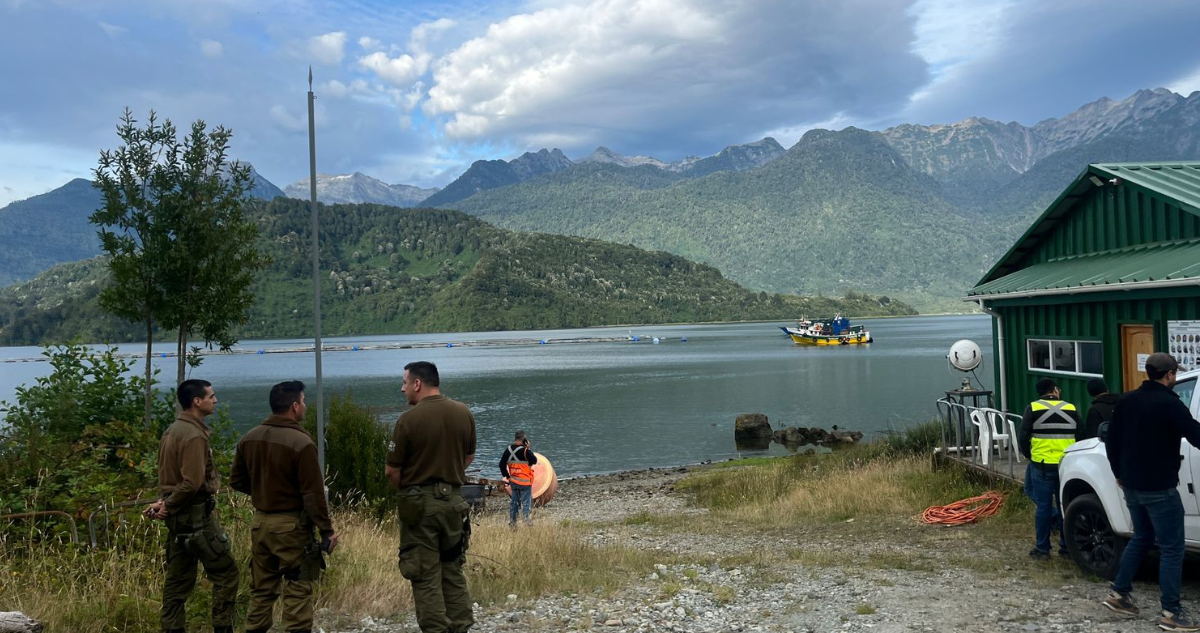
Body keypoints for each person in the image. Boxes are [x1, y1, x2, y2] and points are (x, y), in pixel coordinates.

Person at [231, 380, 338, 633]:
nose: (305, 406)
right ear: (294, 406)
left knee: (261, 591)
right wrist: (327, 531)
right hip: (291, 527)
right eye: (303, 401)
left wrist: (263, 491)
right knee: (298, 589)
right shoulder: (301, 442)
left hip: (260, 525)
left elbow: (236, 481)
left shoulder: (249, 437)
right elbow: (312, 494)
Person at [1103, 353, 1200, 631]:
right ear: (1169, 374)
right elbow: (1195, 435)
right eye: (1174, 374)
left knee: (1142, 537)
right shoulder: (1170, 404)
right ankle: (1171, 612)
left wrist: (1118, 473)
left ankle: (1119, 594)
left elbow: (1112, 440)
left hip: (1132, 485)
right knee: (1172, 549)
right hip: (1160, 487)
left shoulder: (1127, 400)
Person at [385, 361, 477, 633]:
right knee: (452, 569)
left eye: (404, 383)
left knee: (424, 574)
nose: (402, 389)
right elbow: (469, 455)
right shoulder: (463, 412)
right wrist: (449, 474)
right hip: (454, 503)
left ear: (417, 383)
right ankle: (461, 626)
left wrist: (412, 489)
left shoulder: (408, 420)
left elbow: (392, 471)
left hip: (420, 505)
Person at [143, 379, 239, 633]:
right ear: (197, 401)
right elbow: (192, 483)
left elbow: (170, 480)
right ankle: (222, 628)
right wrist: (169, 504)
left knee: (177, 582)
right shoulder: (194, 435)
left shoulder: (172, 431)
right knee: (226, 574)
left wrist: (164, 504)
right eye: (211, 396)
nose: (215, 400)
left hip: (178, 519)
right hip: (196, 518)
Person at [1017, 377, 1083, 560]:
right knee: (1065, 507)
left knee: (1044, 508)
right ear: (1055, 389)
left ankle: (1043, 549)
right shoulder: (1071, 408)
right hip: (1066, 466)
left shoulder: (1033, 408)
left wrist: (1030, 455)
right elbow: (1081, 435)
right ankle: (1067, 548)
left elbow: (1023, 436)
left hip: (1042, 464)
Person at [499, 430, 538, 526]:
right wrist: (528, 448)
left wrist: (507, 476)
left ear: (515, 438)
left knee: (514, 502)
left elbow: (501, 464)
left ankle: (513, 523)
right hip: (525, 482)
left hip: (513, 481)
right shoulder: (525, 451)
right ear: (523, 439)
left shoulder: (508, 450)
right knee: (525, 502)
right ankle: (526, 521)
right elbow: (534, 460)